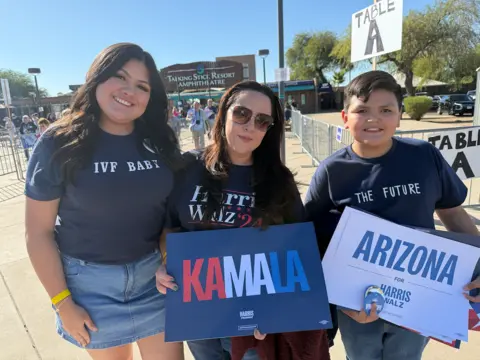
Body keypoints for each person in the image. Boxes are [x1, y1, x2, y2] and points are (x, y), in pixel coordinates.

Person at [24, 43, 184, 360]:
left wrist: (168, 256)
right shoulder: (59, 141)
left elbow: (169, 217)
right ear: (97, 77)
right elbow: (37, 232)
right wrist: (62, 302)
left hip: (156, 281)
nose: (129, 91)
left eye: (142, 86)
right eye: (120, 77)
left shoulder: (160, 140)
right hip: (90, 289)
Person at [304, 70, 479, 360]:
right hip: (357, 304)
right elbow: (313, 239)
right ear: (345, 118)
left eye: (385, 110)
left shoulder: (424, 156)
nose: (374, 119)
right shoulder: (331, 172)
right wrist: (338, 296)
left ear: (399, 116)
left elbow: (454, 216)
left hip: (420, 299)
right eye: (362, 110)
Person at [156, 81, 331, 360]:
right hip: (198, 313)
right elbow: (169, 227)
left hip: (255, 320)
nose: (250, 125)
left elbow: (297, 251)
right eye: (241, 114)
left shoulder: (279, 182)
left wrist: (278, 310)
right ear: (224, 113)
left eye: (262, 121)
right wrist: (164, 263)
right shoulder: (187, 168)